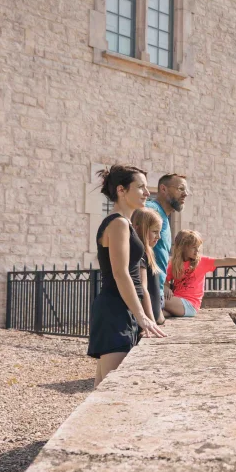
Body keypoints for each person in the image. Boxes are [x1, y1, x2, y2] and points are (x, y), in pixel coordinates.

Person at [88, 165, 166, 388]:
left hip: (120, 309)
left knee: (102, 390)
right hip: (115, 310)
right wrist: (142, 317)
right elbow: (121, 273)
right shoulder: (118, 223)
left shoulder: (125, 223)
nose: (147, 192)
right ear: (121, 190)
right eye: (140, 187)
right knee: (113, 391)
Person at [163, 230, 236, 317]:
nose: (197, 250)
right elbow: (164, 280)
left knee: (157, 299)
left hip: (190, 304)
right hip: (176, 302)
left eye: (198, 247)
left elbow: (225, 261)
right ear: (183, 248)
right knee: (158, 312)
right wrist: (166, 288)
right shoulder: (174, 264)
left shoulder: (202, 262)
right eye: (193, 247)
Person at [145, 173, 189, 307]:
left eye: (186, 190)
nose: (185, 194)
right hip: (147, 292)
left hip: (156, 290)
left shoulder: (165, 218)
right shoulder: (153, 209)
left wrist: (163, 284)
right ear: (163, 189)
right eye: (181, 189)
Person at [131, 207, 164, 325]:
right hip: (148, 322)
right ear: (141, 229)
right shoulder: (140, 254)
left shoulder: (148, 252)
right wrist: (151, 322)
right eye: (155, 232)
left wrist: (159, 316)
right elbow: (143, 289)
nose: (159, 236)